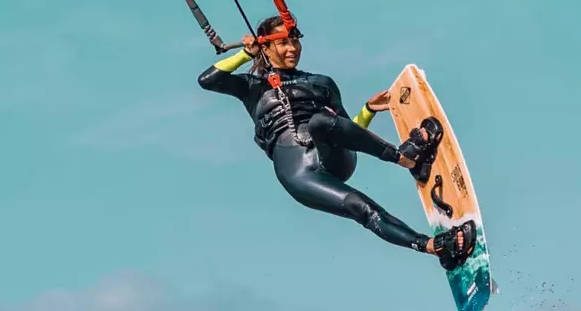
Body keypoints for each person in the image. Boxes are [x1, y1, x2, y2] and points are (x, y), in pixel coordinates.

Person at [197, 16, 476, 270]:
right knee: (359, 206)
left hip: (336, 158)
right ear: (266, 48)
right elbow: (208, 80)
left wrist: (367, 111)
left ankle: (405, 158)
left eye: (294, 40)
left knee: (320, 121)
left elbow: (344, 128)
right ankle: (433, 246)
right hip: (300, 174)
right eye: (282, 43)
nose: (292, 48)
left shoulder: (322, 83)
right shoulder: (251, 86)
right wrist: (245, 54)